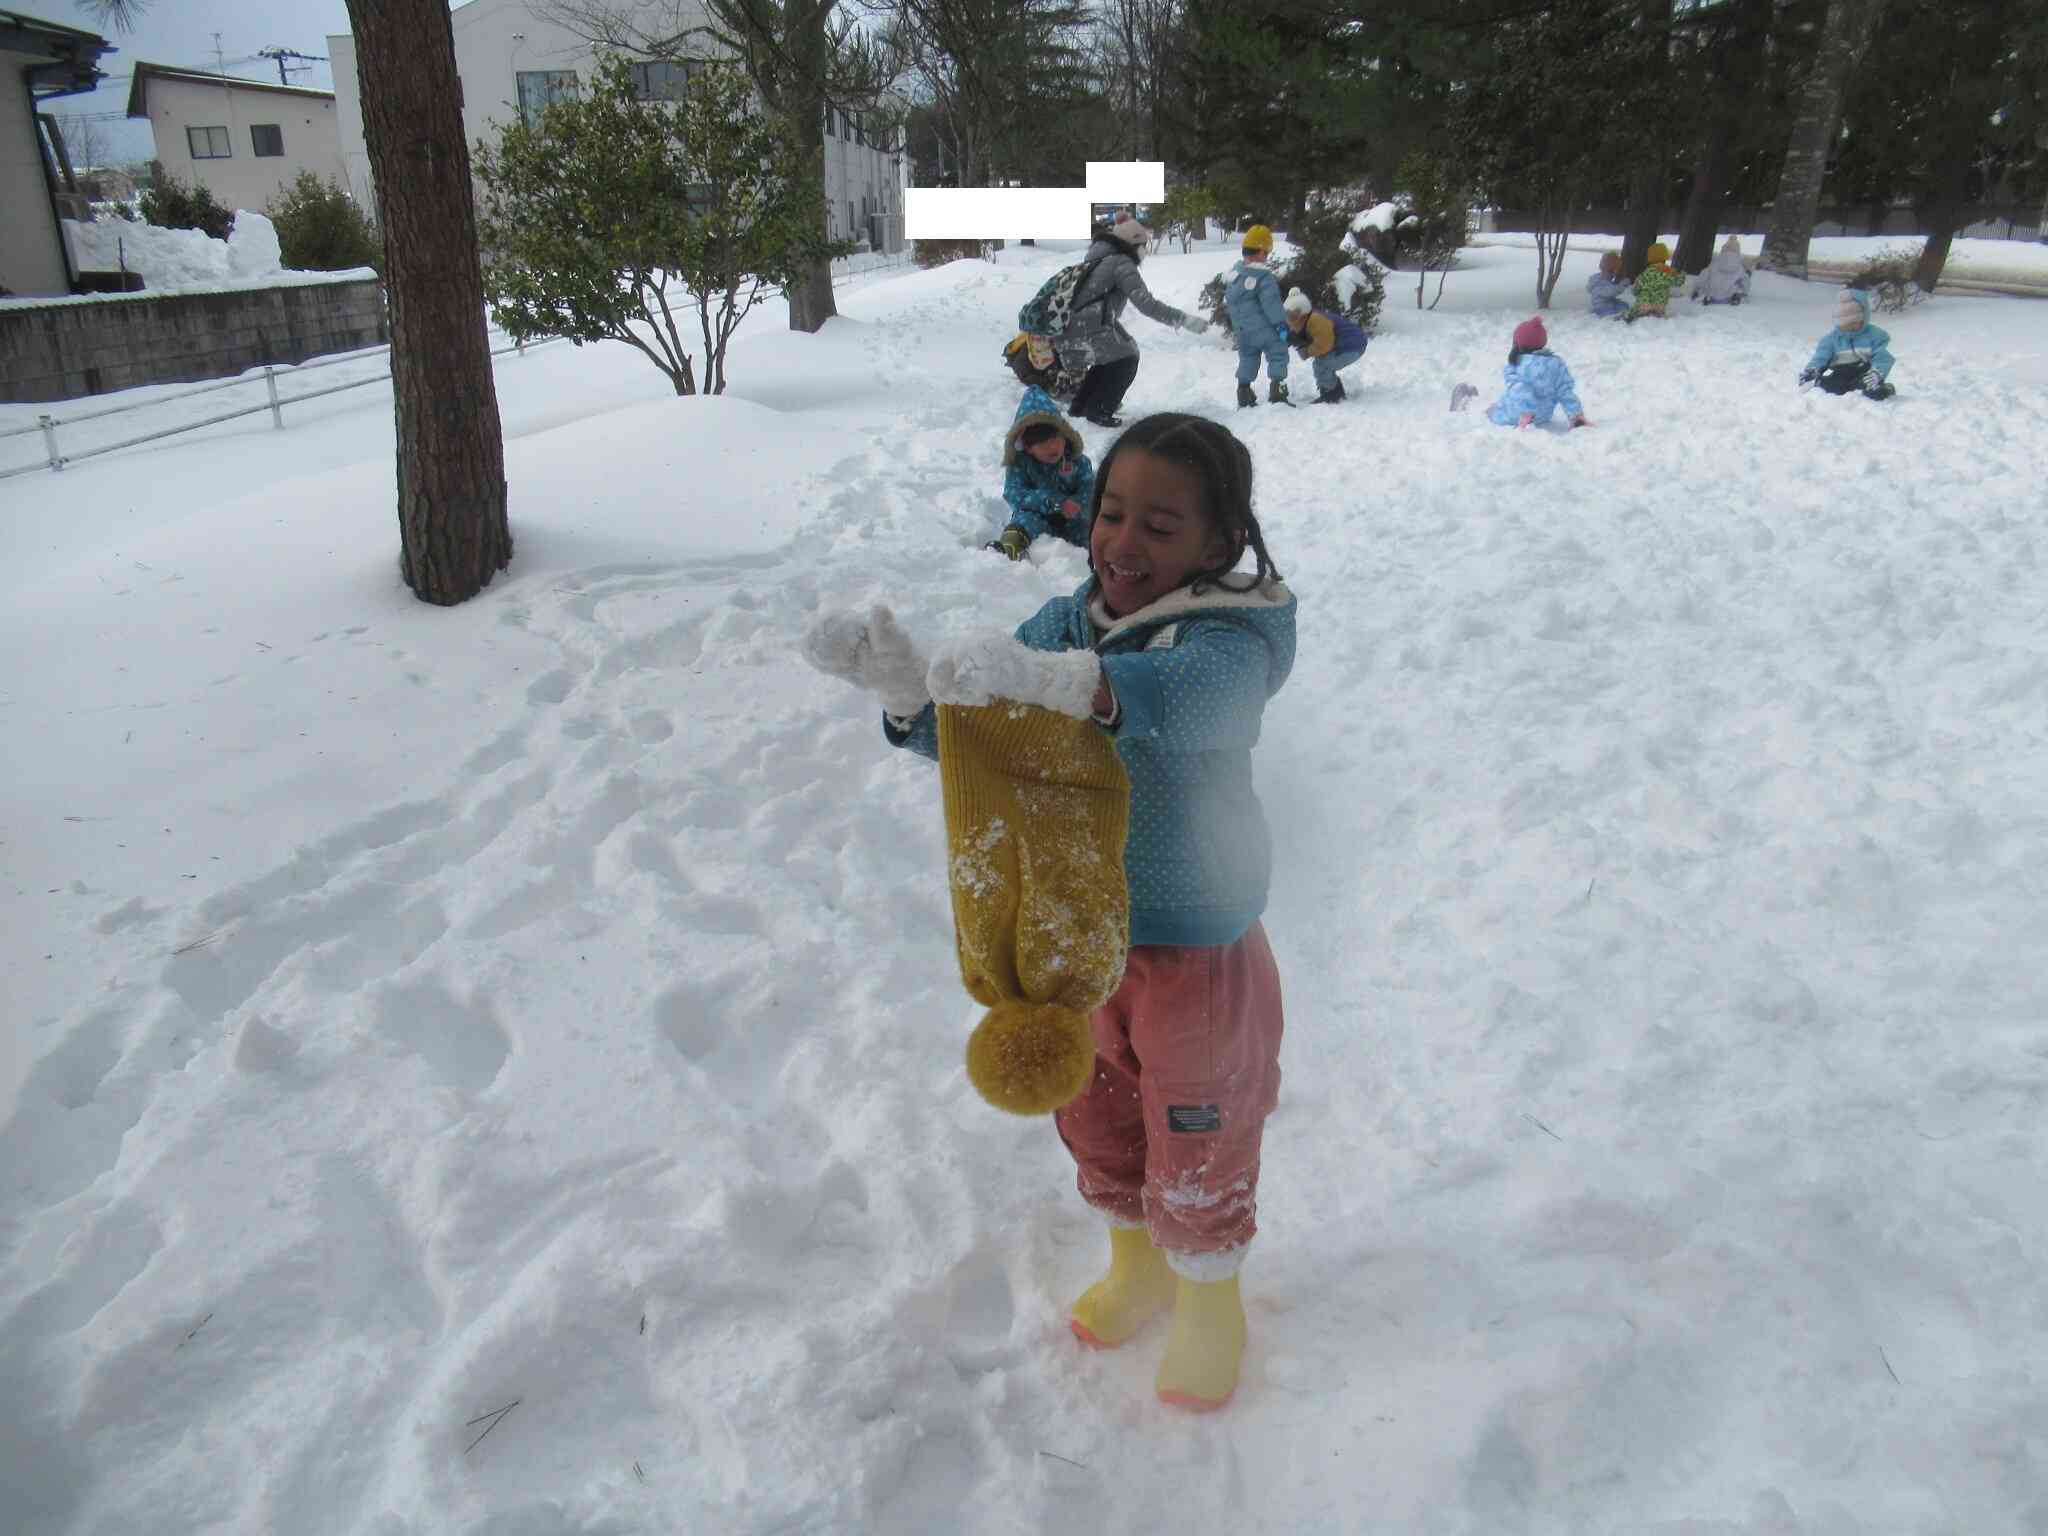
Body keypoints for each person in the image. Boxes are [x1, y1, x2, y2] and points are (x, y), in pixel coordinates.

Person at [802, 414, 1296, 1412]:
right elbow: (994, 741)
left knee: (1198, 1126)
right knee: (1097, 1111)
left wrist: (1060, 685)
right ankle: (1137, 1260)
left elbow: (1198, 702)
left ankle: (1209, 1299)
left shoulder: (1235, 635)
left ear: (1217, 543)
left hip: (1195, 950)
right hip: (1075, 948)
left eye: (1160, 526)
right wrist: (910, 701)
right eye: (1112, 513)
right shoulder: (1066, 622)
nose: (1122, 542)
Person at [1056, 215, 1210, 430]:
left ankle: (1081, 407)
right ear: (1133, 244)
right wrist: (1184, 320)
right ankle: (1099, 410)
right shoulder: (1121, 262)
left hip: (1074, 325)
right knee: (1127, 358)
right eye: (1143, 245)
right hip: (1087, 326)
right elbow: (1146, 304)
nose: (1145, 251)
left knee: (1113, 358)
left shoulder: (1098, 257)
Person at [989, 386, 1096, 559]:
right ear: (1028, 448)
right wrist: (1052, 501)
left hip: (1073, 518)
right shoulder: (1020, 465)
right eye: (1042, 443)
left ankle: (1094, 560)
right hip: (1038, 517)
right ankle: (1009, 548)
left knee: (1090, 531)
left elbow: (1089, 489)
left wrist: (1077, 504)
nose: (1051, 447)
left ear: (1065, 436)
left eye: (1055, 439)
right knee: (1024, 521)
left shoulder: (1078, 462)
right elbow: (1014, 493)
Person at [1223, 225, 1292, 408]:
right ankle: (1278, 392)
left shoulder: (1234, 275)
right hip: (1265, 330)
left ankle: (1244, 392)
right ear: (1261, 252)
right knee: (1278, 354)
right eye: (1267, 253)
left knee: (1247, 357)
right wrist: (1282, 327)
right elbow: (1272, 306)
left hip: (1243, 332)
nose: (1267, 257)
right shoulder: (1263, 277)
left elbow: (1230, 302)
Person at [1482, 316, 1592, 429]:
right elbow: (1565, 392)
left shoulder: (1517, 363)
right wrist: (1576, 415)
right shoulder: (1556, 363)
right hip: (1542, 416)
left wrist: (1527, 410)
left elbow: (1518, 388)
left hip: (1516, 414)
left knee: (1491, 411)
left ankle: (1493, 410)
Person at [1799, 287, 1897, 400]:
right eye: (1846, 324)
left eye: (1855, 323)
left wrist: (1877, 373)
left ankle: (1886, 389)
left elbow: (1882, 357)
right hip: (1841, 373)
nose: (1850, 327)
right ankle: (1820, 383)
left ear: (1863, 318)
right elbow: (1821, 357)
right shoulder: (1832, 340)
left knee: (1871, 391)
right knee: (1828, 387)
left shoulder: (1874, 336)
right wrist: (1813, 369)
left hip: (1864, 372)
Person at [1281, 288, 1368, 404]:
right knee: (1322, 362)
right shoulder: (1304, 321)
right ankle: (1333, 390)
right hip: (1343, 345)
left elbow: (1324, 345)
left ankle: (1332, 393)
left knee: (1322, 364)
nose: (1291, 322)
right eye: (1288, 317)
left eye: (1293, 317)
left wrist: (1307, 351)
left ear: (1303, 314)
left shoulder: (1316, 320)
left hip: (1352, 346)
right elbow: (1291, 333)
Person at [1626, 241, 1683, 321]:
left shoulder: (1645, 273)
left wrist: (1636, 292)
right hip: (1660, 305)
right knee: (1660, 304)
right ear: (1665, 257)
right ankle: (1657, 313)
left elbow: (1635, 289)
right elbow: (1678, 282)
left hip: (1644, 304)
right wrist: (1680, 274)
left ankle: (1628, 315)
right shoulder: (1668, 271)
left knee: (1635, 309)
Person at [1692, 235, 1751, 305]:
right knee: (1739, 281)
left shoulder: (1715, 263)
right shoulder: (1739, 267)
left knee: (1710, 277)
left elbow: (1703, 276)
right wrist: (1745, 292)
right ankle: (1735, 296)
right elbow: (1745, 281)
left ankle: (1708, 297)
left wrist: (1696, 289)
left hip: (1713, 292)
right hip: (1729, 294)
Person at [1587, 250, 1633, 319]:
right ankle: (1613, 318)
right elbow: (1611, 292)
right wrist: (1622, 285)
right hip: (1601, 306)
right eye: (1613, 272)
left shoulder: (1603, 278)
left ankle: (1622, 312)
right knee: (1610, 312)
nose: (1613, 276)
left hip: (1609, 301)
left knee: (1623, 305)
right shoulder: (1599, 283)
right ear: (1609, 269)